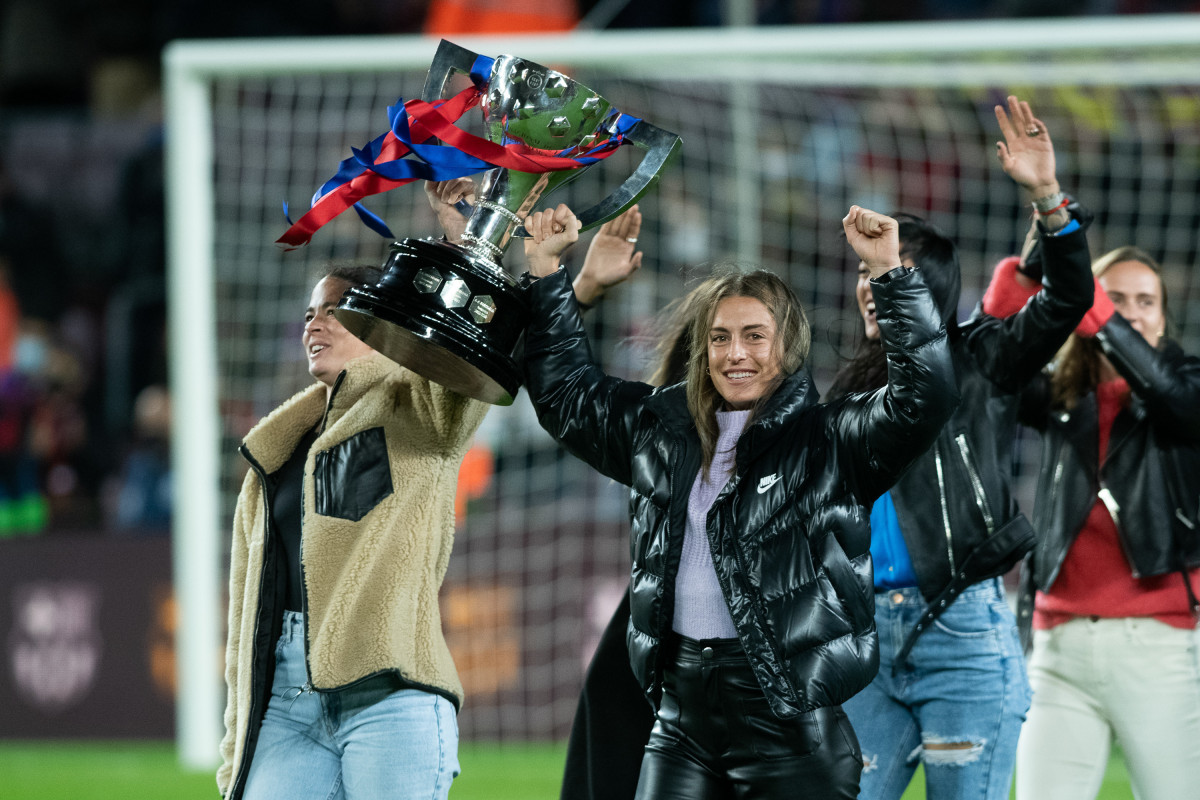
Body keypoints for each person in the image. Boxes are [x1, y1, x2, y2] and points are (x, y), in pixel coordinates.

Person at [217, 184, 643, 800]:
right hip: (284, 702)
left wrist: (471, 244)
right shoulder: (277, 451)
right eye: (311, 311)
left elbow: (480, 356)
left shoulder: (420, 405)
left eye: (335, 309)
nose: (316, 321)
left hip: (389, 695)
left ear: (378, 325)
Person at [521, 201, 958, 799]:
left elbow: (924, 398)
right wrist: (547, 276)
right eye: (720, 338)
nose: (736, 355)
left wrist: (887, 273)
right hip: (679, 726)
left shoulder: (829, 439)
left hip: (788, 725)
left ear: (789, 344)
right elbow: (565, 395)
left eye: (755, 337)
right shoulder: (660, 431)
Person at [823, 96, 1095, 800]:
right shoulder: (846, 394)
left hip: (961, 631)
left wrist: (1045, 198)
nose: (868, 285)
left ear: (929, 286)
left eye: (886, 268)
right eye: (863, 270)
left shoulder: (981, 359)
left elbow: (1066, 300)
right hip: (863, 642)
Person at [1010, 242, 1200, 799]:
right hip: (1057, 649)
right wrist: (1026, 278)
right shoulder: (1058, 393)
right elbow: (992, 362)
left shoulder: (1186, 384)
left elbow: (1171, 397)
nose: (1133, 312)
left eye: (1147, 301)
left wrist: (1094, 304)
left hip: (1157, 645)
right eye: (1116, 298)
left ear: (1164, 317)